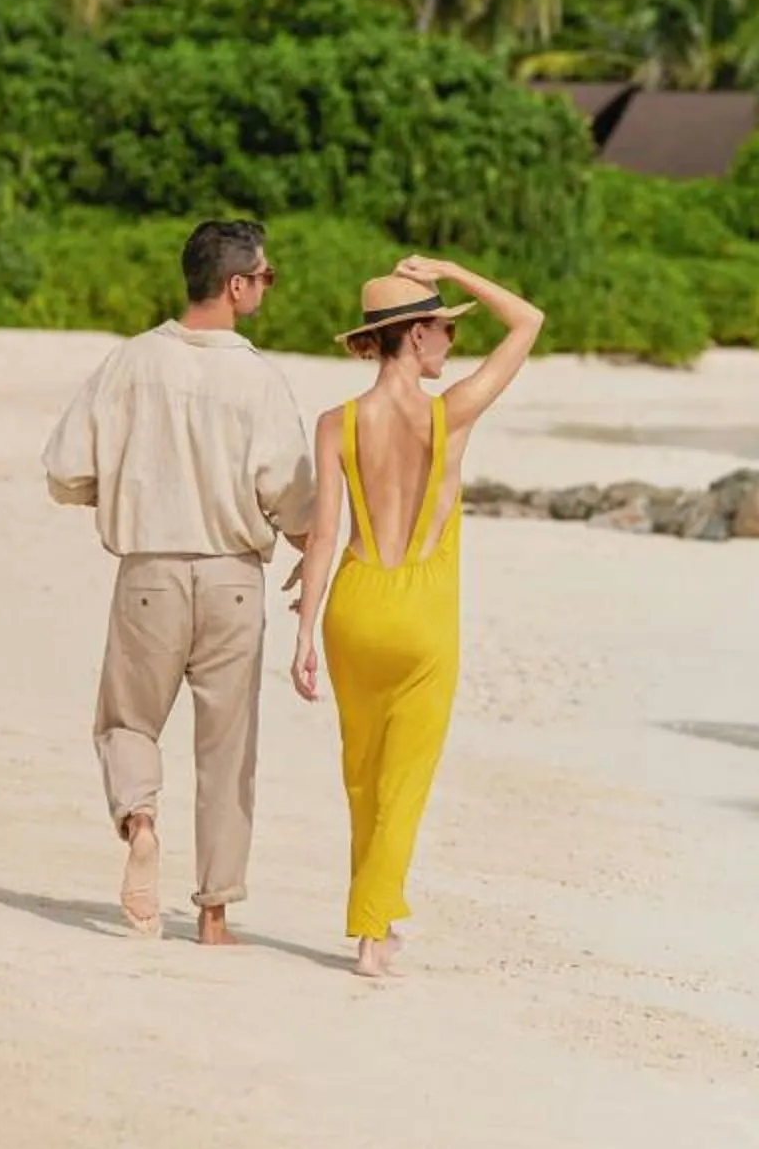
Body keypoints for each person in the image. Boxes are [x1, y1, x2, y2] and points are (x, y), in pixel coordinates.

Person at [44, 218, 314, 944]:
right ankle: (215, 914)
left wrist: (129, 487)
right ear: (235, 286)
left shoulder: (130, 364)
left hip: (149, 572)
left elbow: (66, 471)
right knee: (228, 749)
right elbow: (292, 497)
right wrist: (312, 562)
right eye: (265, 277)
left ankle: (140, 820)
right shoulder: (259, 378)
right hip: (233, 580)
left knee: (128, 721)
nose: (267, 287)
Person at [290, 254, 543, 977]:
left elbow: (323, 537)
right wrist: (454, 271)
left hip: (355, 602)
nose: (452, 343)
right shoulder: (451, 413)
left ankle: (374, 918)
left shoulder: (335, 423)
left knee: (363, 773)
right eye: (444, 329)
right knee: (405, 780)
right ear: (419, 334)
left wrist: (304, 630)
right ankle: (373, 933)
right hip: (423, 611)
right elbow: (528, 321)